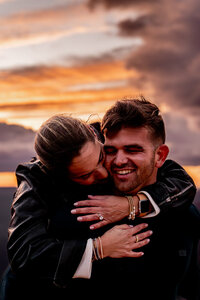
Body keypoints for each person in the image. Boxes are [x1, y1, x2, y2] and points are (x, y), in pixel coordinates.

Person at [1, 99, 198, 299]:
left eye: (132, 150)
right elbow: (24, 263)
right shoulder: (68, 207)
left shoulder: (185, 212)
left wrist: (132, 205)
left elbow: (182, 181)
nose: (109, 169)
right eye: (110, 152)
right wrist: (98, 248)